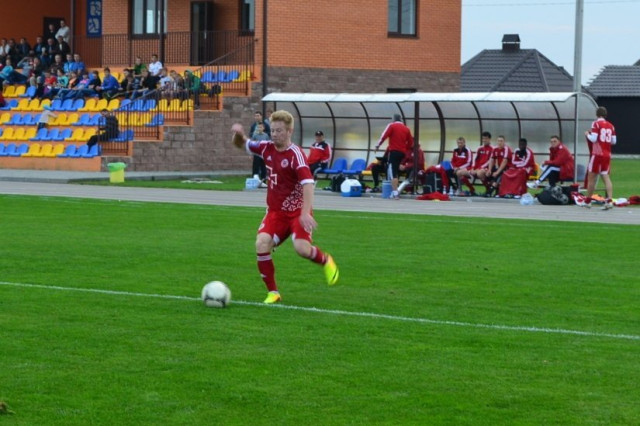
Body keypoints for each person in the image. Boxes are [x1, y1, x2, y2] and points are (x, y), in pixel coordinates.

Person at [231, 110, 339, 304]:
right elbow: (241, 144)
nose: (274, 134)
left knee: (302, 249)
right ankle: (273, 292)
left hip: (297, 212)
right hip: (276, 213)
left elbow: (308, 184)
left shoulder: (296, 155)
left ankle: (326, 260)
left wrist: (305, 213)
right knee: (261, 244)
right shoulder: (266, 148)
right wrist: (238, 135)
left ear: (289, 131)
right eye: (272, 130)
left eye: (279, 131)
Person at [583, 106, 616, 209]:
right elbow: (614, 141)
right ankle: (609, 200)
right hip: (607, 154)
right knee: (605, 176)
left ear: (597, 114)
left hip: (597, 154)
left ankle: (588, 201)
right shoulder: (611, 125)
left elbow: (594, 139)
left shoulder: (596, 124)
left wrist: (587, 134)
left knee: (591, 177)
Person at [375, 113, 414, 199]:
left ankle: (395, 193)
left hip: (393, 152)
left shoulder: (391, 126)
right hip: (402, 153)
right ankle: (396, 190)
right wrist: (405, 149)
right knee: (396, 170)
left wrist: (377, 145)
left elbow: (384, 136)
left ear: (393, 119)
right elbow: (410, 142)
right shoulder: (406, 128)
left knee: (392, 172)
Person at [249, 110, 270, 183]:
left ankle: (263, 181)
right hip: (256, 152)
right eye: (255, 116)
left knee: (263, 167)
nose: (256, 117)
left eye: (258, 116)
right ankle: (254, 180)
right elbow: (251, 140)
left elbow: (268, 141)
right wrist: (251, 153)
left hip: (263, 153)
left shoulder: (266, 127)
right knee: (255, 167)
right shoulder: (253, 126)